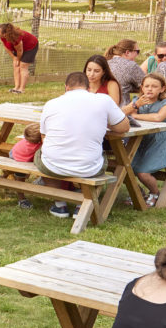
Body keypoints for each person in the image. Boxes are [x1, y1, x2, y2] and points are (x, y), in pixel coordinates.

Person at [37, 72, 128, 218]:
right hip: (89, 167)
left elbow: (44, 137)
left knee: (41, 153)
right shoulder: (103, 100)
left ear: (66, 87)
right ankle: (81, 203)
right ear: (89, 87)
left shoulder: (51, 103)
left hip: (53, 166)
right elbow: (124, 127)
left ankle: (59, 205)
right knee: (99, 155)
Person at [121, 73, 166, 207]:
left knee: (143, 172)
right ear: (142, 88)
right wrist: (134, 106)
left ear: (162, 89)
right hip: (138, 141)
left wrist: (136, 116)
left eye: (154, 86)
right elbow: (119, 114)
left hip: (158, 143)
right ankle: (137, 192)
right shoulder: (136, 101)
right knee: (123, 169)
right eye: (147, 86)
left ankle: (154, 192)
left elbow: (158, 117)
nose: (150, 89)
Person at [0, 22, 38, 94]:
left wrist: (18, 59)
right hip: (19, 49)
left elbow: (20, 50)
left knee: (23, 66)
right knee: (16, 66)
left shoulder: (16, 37)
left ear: (5, 33)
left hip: (30, 46)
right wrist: (14, 58)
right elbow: (6, 47)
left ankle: (21, 89)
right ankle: (16, 87)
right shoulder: (2, 36)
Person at [9, 123, 42, 210]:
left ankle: (5, 175)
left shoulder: (28, 140)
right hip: (22, 160)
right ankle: (21, 198)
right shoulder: (39, 145)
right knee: (21, 173)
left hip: (13, 152)